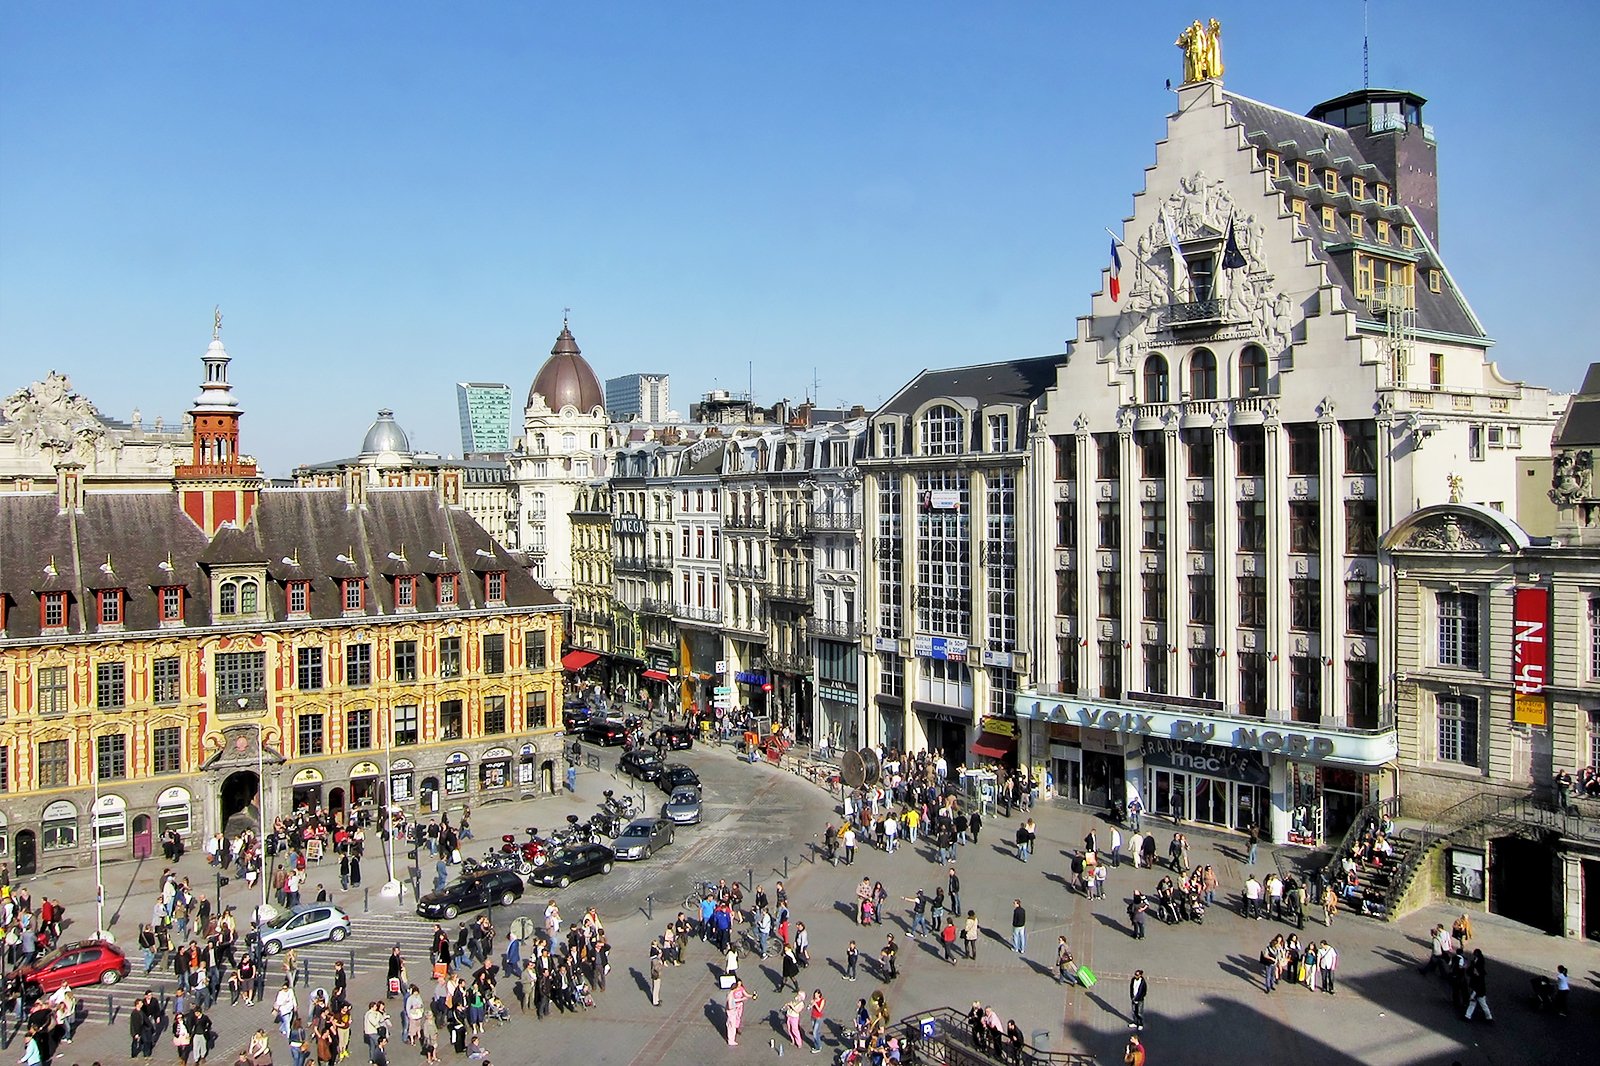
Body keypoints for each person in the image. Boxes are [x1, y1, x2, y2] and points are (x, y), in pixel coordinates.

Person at [724, 977, 755, 1046]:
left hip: (732, 1011)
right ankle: (731, 1040)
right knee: (731, 1026)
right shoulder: (731, 995)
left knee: (732, 1025)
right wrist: (741, 1000)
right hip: (731, 1012)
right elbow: (730, 1004)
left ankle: (731, 1039)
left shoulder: (730, 993)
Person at [1463, 949, 1492, 1022]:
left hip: (1478, 991)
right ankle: (1468, 1016)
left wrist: (1472, 995)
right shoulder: (1479, 969)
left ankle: (1488, 1017)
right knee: (1478, 1004)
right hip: (1479, 991)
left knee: (1481, 1004)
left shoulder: (1477, 977)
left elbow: (1477, 986)